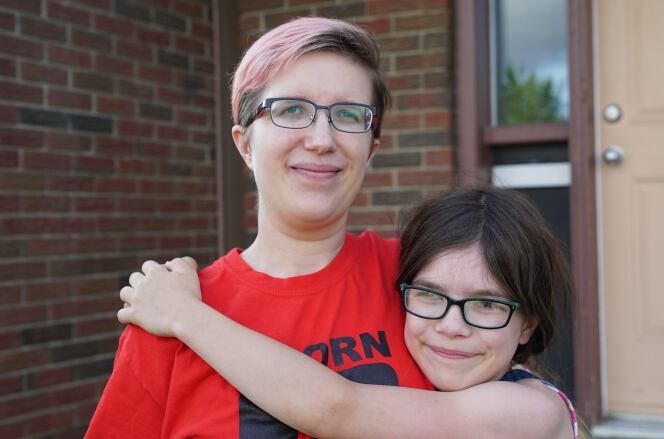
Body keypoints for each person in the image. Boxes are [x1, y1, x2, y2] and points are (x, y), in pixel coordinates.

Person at [86, 17, 432, 438]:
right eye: (291, 110)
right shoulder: (165, 314)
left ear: (371, 148)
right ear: (244, 144)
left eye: (348, 114)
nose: (322, 139)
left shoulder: (422, 277)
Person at [119, 188, 581, 438]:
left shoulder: (531, 411)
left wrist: (183, 314)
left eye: (486, 304)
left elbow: (337, 408)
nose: (451, 326)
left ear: (529, 324)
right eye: (429, 295)